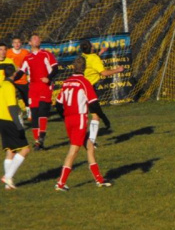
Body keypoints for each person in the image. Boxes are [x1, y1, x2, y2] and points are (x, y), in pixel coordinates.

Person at [54, 57, 112, 191]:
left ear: (73, 67)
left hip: (68, 119)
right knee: (73, 150)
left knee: (90, 146)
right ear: (85, 68)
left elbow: (58, 104)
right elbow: (93, 104)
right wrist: (104, 118)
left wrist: (64, 116)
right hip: (79, 118)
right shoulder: (84, 82)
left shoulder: (67, 82)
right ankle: (60, 183)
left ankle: (99, 179)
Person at [15, 34, 58, 150]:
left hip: (45, 87)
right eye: (34, 38)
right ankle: (37, 142)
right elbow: (21, 72)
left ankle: (41, 137)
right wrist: (11, 80)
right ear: (29, 43)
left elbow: (55, 68)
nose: (37, 40)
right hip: (33, 89)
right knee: (34, 114)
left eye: (38, 38)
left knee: (43, 111)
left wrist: (48, 78)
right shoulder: (27, 58)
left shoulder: (46, 54)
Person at [80, 39, 124, 144]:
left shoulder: (83, 56)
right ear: (91, 48)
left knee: (85, 114)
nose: (94, 46)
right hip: (89, 88)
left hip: (81, 88)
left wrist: (100, 53)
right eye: (92, 45)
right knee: (95, 115)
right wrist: (117, 70)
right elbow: (104, 73)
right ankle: (91, 141)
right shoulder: (94, 58)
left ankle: (87, 139)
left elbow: (91, 61)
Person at [0, 65, 30, 190]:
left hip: (1, 119)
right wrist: (19, 125)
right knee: (25, 149)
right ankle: (8, 176)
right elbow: (12, 107)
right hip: (10, 120)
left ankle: (9, 184)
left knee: (11, 150)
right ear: (13, 74)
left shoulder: (2, 85)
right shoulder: (10, 87)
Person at [6, 37, 31, 120]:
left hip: (22, 79)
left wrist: (29, 75)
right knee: (12, 97)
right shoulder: (8, 53)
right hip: (11, 79)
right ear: (12, 44)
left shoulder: (25, 52)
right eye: (15, 42)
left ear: (21, 43)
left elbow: (30, 64)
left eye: (18, 42)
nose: (17, 44)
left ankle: (29, 113)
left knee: (26, 96)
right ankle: (15, 113)